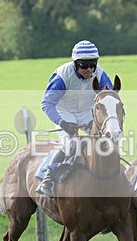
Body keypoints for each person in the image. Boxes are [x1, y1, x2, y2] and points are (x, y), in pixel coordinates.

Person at [37, 40, 113, 197]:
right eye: (84, 65)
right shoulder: (62, 76)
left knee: (106, 141)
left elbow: (110, 98)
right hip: (64, 111)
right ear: (75, 63)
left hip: (87, 111)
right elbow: (47, 104)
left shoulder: (100, 74)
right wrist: (62, 122)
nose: (89, 69)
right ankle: (48, 179)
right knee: (71, 144)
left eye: (93, 64)